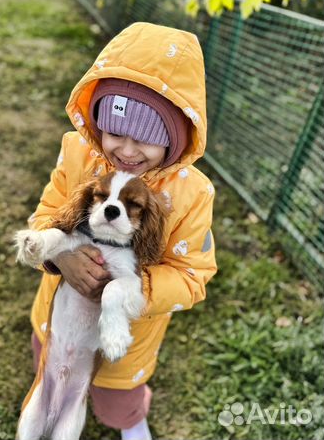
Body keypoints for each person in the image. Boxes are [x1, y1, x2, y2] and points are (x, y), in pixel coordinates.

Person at [27, 22, 217, 440]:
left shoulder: (193, 195)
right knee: (51, 363)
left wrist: (131, 290)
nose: (127, 152)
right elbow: (44, 216)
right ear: (97, 120)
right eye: (115, 132)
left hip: (126, 339)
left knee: (117, 398)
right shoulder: (78, 154)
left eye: (147, 140)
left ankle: (130, 421)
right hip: (60, 317)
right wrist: (58, 254)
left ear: (177, 138)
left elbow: (192, 277)